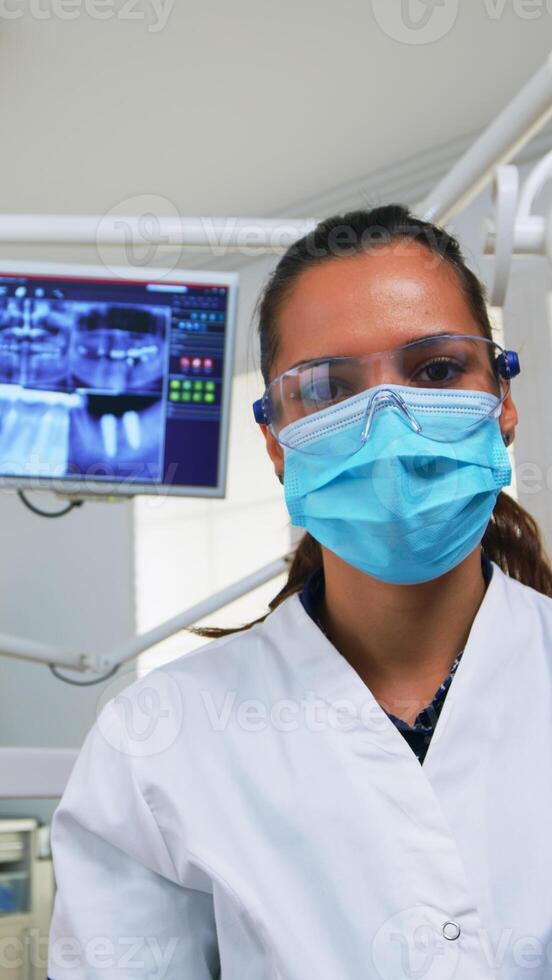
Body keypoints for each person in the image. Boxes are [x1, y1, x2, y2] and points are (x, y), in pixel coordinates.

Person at [47, 205, 552, 980]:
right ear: (276, 444)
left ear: (503, 401)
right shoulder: (157, 743)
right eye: (327, 388)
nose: (388, 423)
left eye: (438, 370)